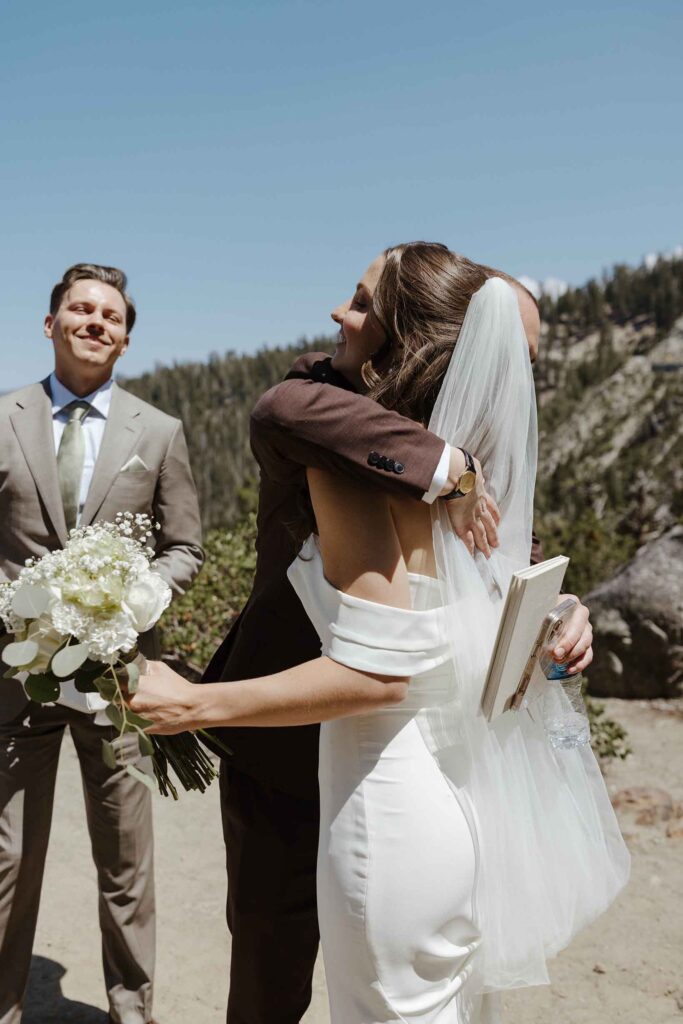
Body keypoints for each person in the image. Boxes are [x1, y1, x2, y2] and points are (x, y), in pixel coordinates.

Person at [130, 244, 621, 1024]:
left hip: (398, 767)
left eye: (359, 302)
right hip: (284, 751)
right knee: (269, 969)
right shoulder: (326, 414)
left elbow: (504, 571)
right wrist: (445, 469)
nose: (337, 313)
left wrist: (562, 613)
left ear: (409, 337)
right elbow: (275, 408)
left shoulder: (477, 471)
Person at [0, 263, 204, 1024]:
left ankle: (132, 1011)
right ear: (49, 324)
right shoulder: (3, 417)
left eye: (110, 315)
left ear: (125, 336)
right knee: (7, 859)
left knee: (126, 862)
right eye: (79, 309)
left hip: (122, 682)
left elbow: (184, 546)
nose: (95, 322)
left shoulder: (158, 432)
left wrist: (137, 598)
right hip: (17, 677)